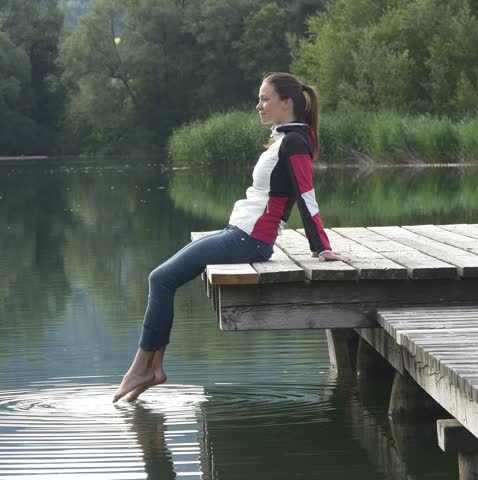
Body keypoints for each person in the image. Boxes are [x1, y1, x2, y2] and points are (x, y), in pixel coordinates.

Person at [113, 72, 351, 403]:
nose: (259, 105)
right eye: (259, 99)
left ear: (288, 103)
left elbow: (306, 194)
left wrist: (322, 248)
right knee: (161, 278)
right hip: (240, 232)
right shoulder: (285, 138)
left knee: (160, 279)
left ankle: (146, 367)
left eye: (265, 99)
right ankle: (150, 367)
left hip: (250, 239)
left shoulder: (295, 142)